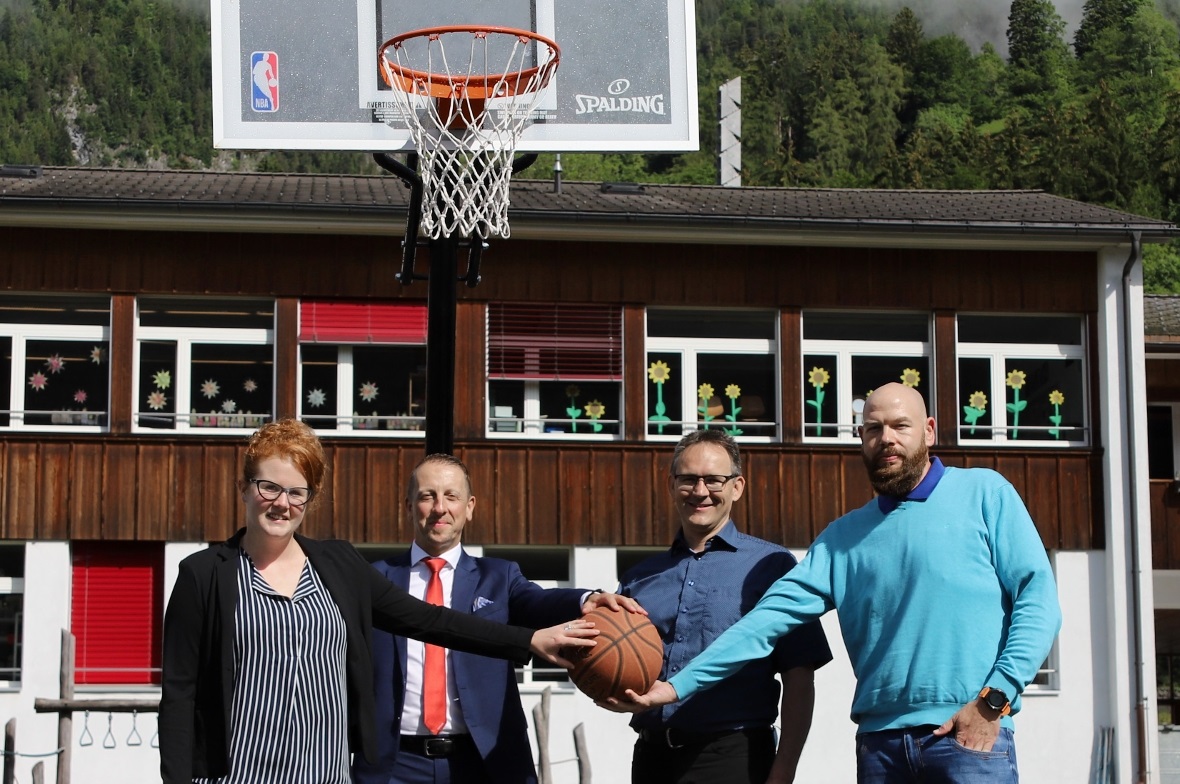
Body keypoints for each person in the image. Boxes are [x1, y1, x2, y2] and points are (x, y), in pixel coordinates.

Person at [610, 383, 1063, 783]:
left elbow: (1038, 600)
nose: (886, 439)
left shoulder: (985, 493)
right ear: (861, 440)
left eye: (899, 426)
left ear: (928, 430)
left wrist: (993, 702)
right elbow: (760, 625)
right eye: (872, 428)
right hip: (880, 749)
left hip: (969, 739)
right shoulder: (841, 539)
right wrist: (673, 688)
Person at [158, 420, 597, 784]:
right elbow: (180, 694)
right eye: (268, 487)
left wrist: (530, 641)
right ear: (244, 487)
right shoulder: (204, 575)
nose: (282, 503)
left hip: (322, 774)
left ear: (311, 498)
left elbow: (433, 621)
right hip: (238, 774)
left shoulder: (339, 566)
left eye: (297, 492)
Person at [353, 453, 644, 784]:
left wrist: (586, 598)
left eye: (451, 496)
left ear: (470, 506)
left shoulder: (498, 577)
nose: (439, 508)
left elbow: (539, 601)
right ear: (408, 506)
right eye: (427, 496)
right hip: (394, 765)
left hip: (485, 762)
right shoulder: (373, 581)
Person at [617, 428, 833, 784]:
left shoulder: (772, 566)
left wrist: (784, 769)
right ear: (671, 485)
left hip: (734, 757)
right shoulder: (640, 578)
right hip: (651, 757)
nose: (700, 491)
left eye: (713, 480)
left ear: (737, 487)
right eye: (688, 479)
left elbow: (799, 677)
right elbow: (622, 661)